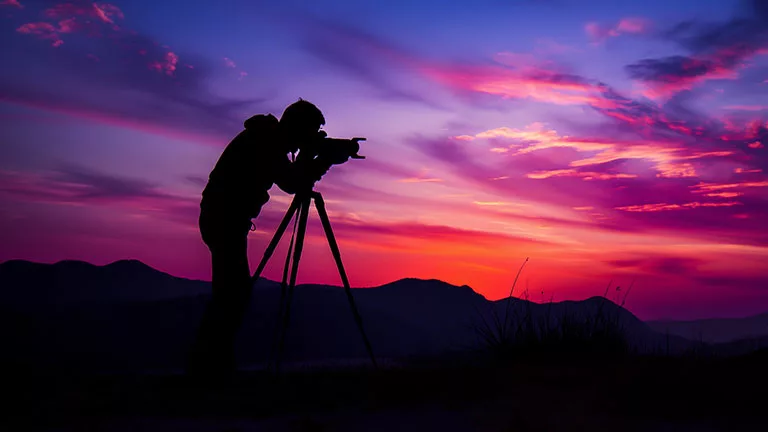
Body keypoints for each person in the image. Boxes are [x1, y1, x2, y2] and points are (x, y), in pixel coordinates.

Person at [187, 99, 330, 378]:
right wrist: (320, 160)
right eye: (306, 135)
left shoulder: (267, 137)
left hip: (225, 220)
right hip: (225, 220)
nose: (303, 144)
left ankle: (212, 365)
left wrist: (310, 158)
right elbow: (292, 183)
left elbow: (291, 178)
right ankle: (208, 368)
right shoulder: (266, 140)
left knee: (232, 294)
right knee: (232, 296)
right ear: (297, 128)